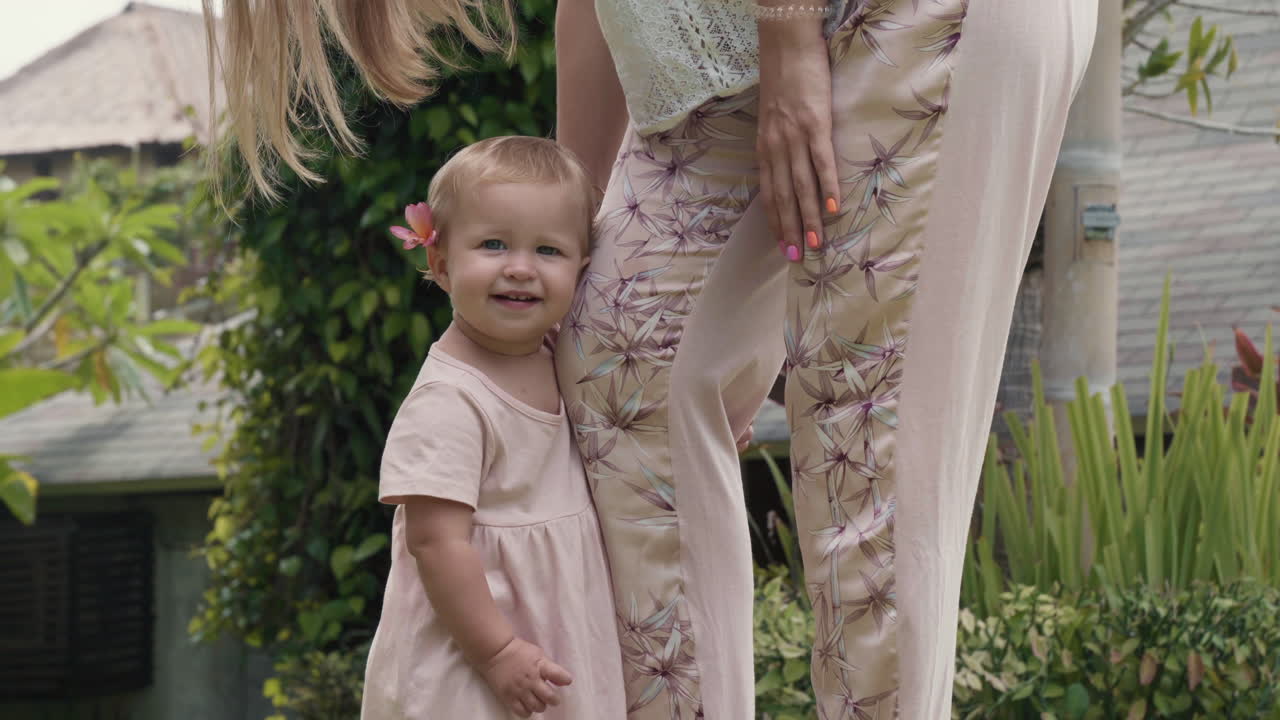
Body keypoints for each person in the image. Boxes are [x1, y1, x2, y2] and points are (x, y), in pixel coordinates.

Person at [206, 0, 1098, 717]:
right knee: (612, 361)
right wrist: (569, 226)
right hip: (712, 59)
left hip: (898, 20)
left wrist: (788, 30)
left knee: (865, 445)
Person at [361, 136, 626, 719]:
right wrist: (498, 652)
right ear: (441, 263)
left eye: (548, 250)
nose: (520, 268)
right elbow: (435, 543)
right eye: (493, 244)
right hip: (473, 654)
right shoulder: (450, 401)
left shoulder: (563, 355)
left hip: (552, 634)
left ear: (582, 271)